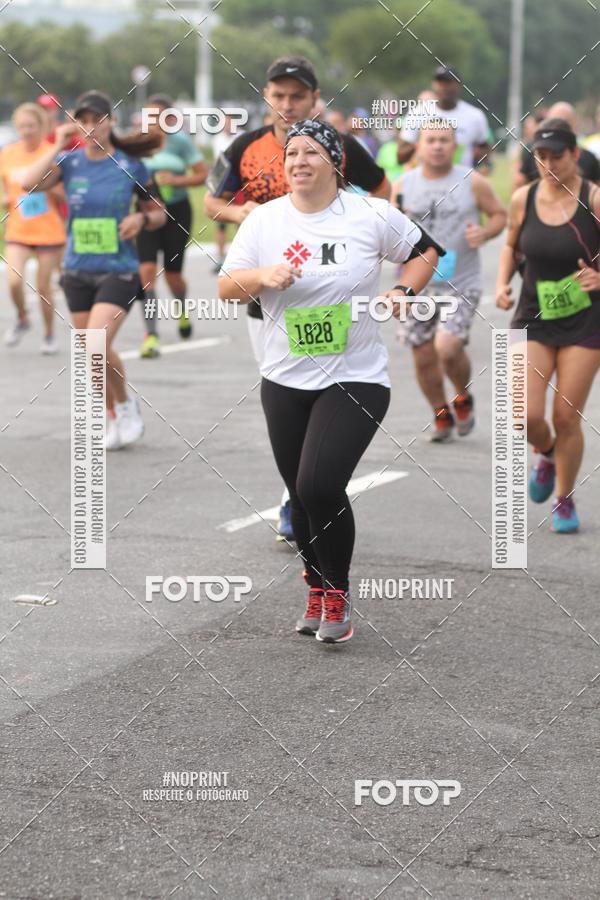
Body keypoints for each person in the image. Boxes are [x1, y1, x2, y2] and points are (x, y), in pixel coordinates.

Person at [218, 119, 439, 642]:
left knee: (320, 483)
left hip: (356, 377)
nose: (298, 161)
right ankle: (315, 587)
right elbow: (228, 287)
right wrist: (262, 277)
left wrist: (402, 294)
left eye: (311, 152)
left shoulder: (370, 214)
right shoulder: (265, 222)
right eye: (291, 153)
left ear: (335, 163)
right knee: (299, 496)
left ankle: (336, 596)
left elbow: (427, 252)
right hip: (284, 378)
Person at [205, 55, 390, 541]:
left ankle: (303, 494)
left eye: (296, 96)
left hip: (332, 295)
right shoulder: (243, 146)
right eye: (277, 94)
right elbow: (212, 200)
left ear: (313, 99)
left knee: (330, 389)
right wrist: (244, 215)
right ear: (266, 96)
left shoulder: (339, 145)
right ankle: (299, 487)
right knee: (286, 390)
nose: (285, 103)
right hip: (269, 289)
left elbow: (382, 187)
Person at [20, 90, 166, 450]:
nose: (90, 127)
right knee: (92, 351)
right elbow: (27, 183)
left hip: (118, 269)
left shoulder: (131, 167)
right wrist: (58, 145)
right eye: (82, 120)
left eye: (97, 120)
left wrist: (140, 217)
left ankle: (126, 408)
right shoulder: (69, 163)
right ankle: (115, 414)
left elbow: (161, 214)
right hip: (77, 271)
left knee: (96, 342)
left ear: (111, 121)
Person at [496, 119, 600, 533]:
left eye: (557, 155)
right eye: (541, 155)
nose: (548, 162)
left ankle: (563, 496)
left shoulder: (593, 197)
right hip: (533, 318)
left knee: (566, 415)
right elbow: (509, 243)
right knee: (523, 415)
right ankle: (548, 452)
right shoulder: (523, 197)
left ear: (575, 156)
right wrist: (503, 282)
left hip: (585, 321)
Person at [395, 121, 507, 441]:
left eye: (444, 140)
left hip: (461, 282)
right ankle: (440, 412)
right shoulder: (403, 184)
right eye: (430, 140)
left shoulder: (472, 182)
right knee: (421, 352)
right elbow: (389, 227)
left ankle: (462, 396)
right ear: (418, 145)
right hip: (419, 284)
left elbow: (500, 215)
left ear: (455, 145)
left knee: (446, 347)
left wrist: (484, 232)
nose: (437, 146)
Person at [138, 95, 208, 358]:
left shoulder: (180, 142)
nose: (153, 122)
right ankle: (151, 333)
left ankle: (181, 309)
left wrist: (176, 180)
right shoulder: (138, 142)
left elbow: (203, 174)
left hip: (177, 211)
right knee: (146, 272)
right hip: (146, 210)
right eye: (149, 117)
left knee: (172, 276)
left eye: (158, 117)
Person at [1, 102, 66, 352]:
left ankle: (49, 334)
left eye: (31, 126)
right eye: (22, 126)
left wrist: (45, 186)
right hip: (18, 230)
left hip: (48, 231)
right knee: (14, 282)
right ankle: (22, 317)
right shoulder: (7, 154)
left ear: (42, 127)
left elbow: (63, 194)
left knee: (43, 287)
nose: (26, 131)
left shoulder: (52, 153)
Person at [396, 65, 491, 170]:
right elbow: (400, 157)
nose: (444, 87)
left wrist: (479, 157)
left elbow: (485, 149)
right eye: (440, 82)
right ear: (433, 84)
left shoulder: (475, 116)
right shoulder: (418, 113)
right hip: (426, 182)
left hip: (461, 181)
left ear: (459, 84)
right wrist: (422, 144)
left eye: (448, 82)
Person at [515, 102, 600, 188]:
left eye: (558, 157)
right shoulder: (531, 152)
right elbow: (519, 182)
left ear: (575, 154)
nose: (549, 166)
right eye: (542, 157)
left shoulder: (589, 158)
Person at [211, 113, 244, 274]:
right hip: (223, 185)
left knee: (241, 220)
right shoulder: (217, 139)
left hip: (239, 185)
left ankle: (242, 257)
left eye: (230, 121)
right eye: (225, 122)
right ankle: (220, 259)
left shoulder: (242, 137)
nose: (227, 124)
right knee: (221, 222)